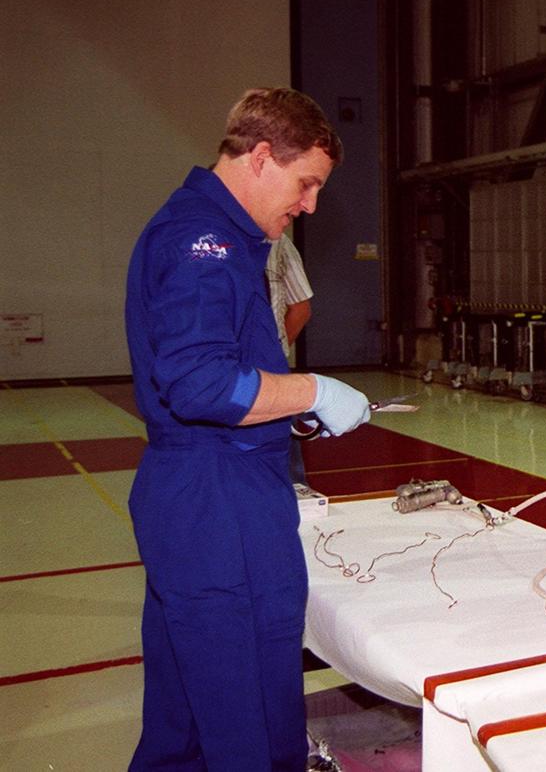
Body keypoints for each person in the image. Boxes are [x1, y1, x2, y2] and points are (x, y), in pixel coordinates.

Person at [124, 87, 371, 770]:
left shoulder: (226, 237)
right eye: (306, 183)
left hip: (214, 484)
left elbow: (225, 371)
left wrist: (288, 414)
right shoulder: (202, 241)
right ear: (262, 158)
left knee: (186, 715)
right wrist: (312, 387)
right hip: (216, 501)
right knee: (248, 712)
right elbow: (199, 383)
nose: (310, 204)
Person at [266, 232, 315, 485]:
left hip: (272, 368)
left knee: (288, 471)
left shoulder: (279, 242)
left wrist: (274, 352)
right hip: (226, 370)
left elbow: (301, 308)